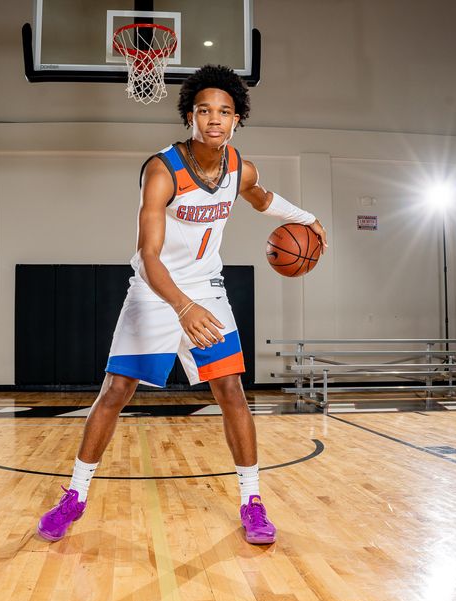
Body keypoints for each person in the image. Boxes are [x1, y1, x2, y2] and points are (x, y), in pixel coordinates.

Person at [38, 64, 328, 545]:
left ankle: (253, 502)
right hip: (155, 292)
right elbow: (147, 256)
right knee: (116, 390)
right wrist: (182, 307)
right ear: (189, 116)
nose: (214, 119)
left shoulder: (240, 169)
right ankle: (75, 496)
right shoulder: (162, 170)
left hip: (207, 289)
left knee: (231, 390)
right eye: (204, 110)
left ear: (237, 119)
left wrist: (308, 217)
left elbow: (261, 199)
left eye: (224, 112)